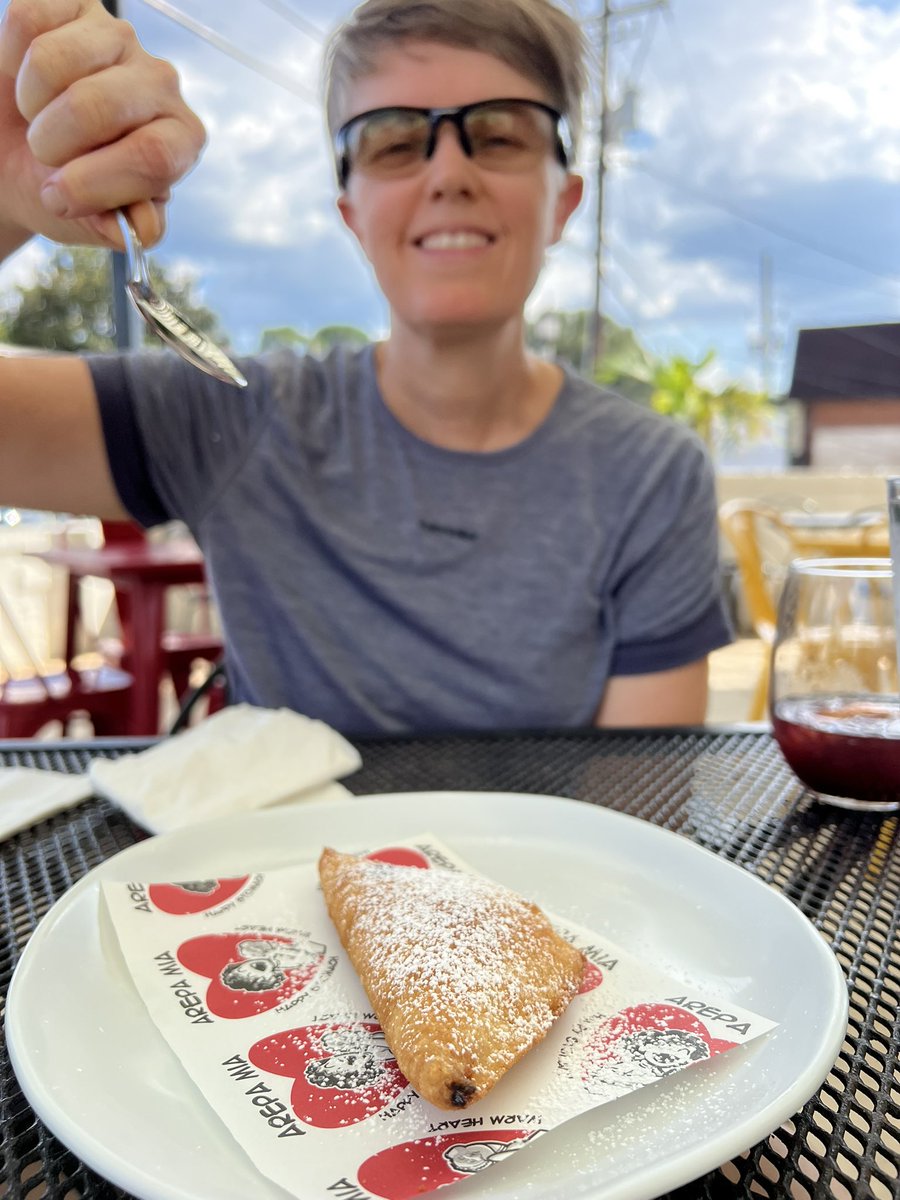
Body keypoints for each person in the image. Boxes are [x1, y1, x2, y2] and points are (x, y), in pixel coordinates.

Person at [0, 0, 731, 736]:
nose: (449, 173)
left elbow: (641, 808)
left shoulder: (652, 475)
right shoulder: (234, 412)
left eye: (501, 134)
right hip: (273, 855)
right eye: (392, 141)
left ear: (564, 201)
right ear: (350, 212)